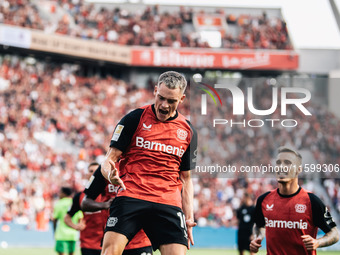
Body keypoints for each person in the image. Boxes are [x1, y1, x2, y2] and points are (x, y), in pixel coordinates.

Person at [100, 71, 198, 255]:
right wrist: (110, 175)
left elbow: (186, 179)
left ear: (182, 99)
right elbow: (109, 160)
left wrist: (189, 217)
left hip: (168, 202)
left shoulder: (188, 131)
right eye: (161, 98)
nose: (163, 105)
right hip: (131, 196)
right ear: (155, 90)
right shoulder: (133, 119)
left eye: (171, 101)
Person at [250, 146, 339, 255]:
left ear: (298, 169)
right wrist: (257, 237)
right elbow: (259, 225)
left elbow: (334, 233)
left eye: (287, 162)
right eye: (278, 163)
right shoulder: (263, 200)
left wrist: (317, 242)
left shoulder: (312, 202)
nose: (281, 167)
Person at [81, 163, 153, 255]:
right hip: (113, 240)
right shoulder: (105, 168)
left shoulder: (144, 164)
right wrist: (106, 204)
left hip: (140, 241)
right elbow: (85, 203)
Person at [64, 162, 113, 255]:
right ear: (87, 175)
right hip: (88, 244)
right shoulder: (80, 196)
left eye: (96, 171)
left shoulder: (111, 192)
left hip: (109, 242)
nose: (93, 173)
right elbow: (67, 217)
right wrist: (76, 226)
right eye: (91, 171)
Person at [52, 187, 83, 255]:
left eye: (60, 192)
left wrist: (54, 231)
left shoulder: (59, 203)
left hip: (61, 234)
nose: (59, 194)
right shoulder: (74, 202)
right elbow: (80, 218)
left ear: (64, 194)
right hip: (73, 235)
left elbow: (55, 219)